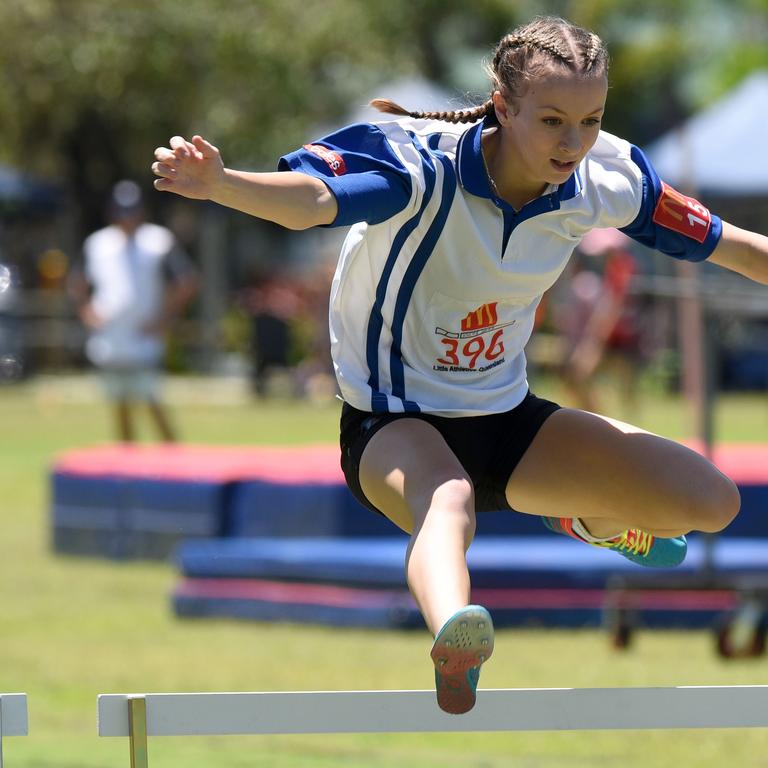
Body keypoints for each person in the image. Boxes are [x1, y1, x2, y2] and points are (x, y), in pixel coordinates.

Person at [151, 16, 768, 715]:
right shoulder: (422, 162)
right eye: (553, 120)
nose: (574, 142)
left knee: (711, 503)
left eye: (591, 120)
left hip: (508, 422)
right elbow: (312, 202)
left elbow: (733, 246)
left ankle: (585, 518)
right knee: (448, 501)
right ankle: (455, 636)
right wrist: (222, 182)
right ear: (503, 107)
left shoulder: (608, 177)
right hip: (393, 421)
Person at [72, 180, 198, 443]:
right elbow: (77, 281)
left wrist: (163, 320)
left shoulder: (158, 240)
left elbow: (186, 281)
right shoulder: (98, 243)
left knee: (151, 399)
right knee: (120, 403)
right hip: (110, 335)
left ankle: (174, 460)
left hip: (143, 335)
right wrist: (86, 311)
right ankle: (126, 463)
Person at [556, 227, 646, 413]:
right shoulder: (620, 266)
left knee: (577, 377)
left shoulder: (620, 267)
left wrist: (593, 343)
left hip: (616, 339)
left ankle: (599, 421)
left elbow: (612, 308)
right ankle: (599, 420)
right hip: (617, 337)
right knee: (580, 379)